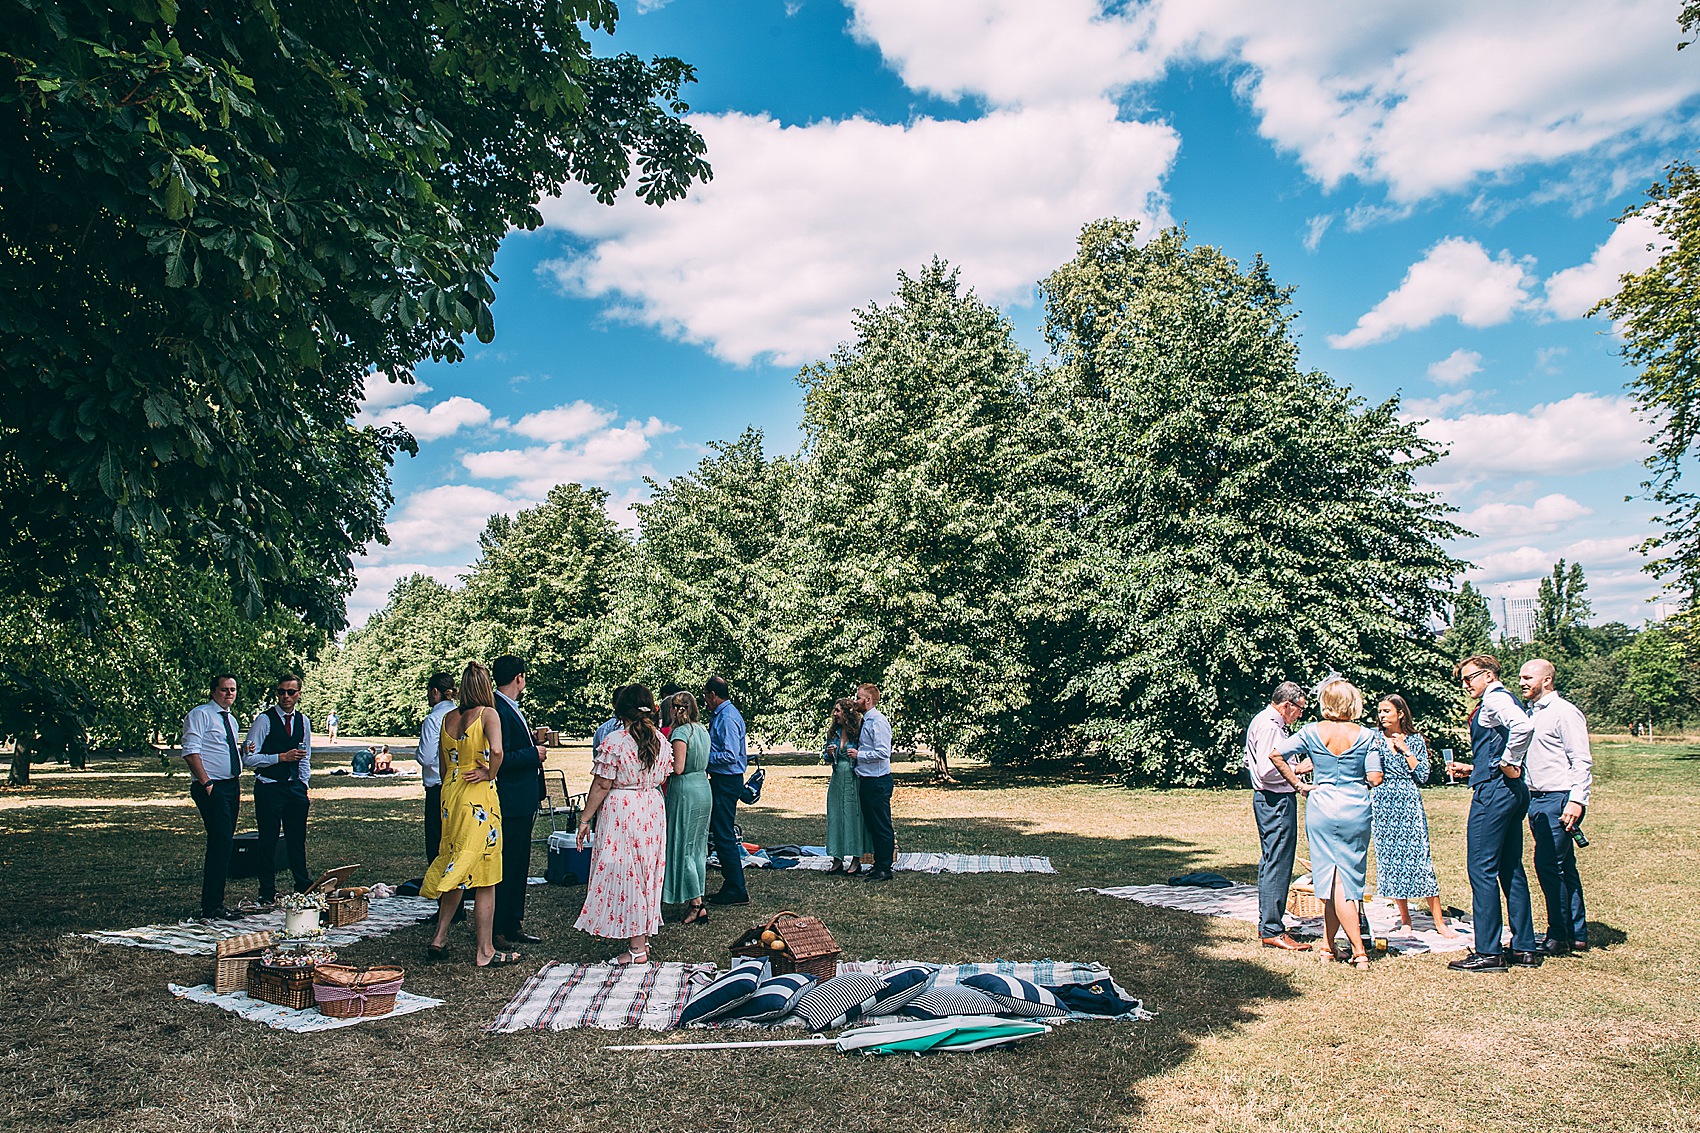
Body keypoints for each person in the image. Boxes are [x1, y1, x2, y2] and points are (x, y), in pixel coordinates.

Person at [1269, 677, 1384, 969]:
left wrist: (1298, 784)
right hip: (1354, 807)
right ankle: (1359, 950)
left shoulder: (1310, 731)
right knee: (1347, 878)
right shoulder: (1368, 735)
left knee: (1330, 877)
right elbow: (1374, 778)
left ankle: (1327, 946)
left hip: (1321, 806)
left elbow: (1276, 754)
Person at [1445, 655, 1540, 972]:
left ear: (1487, 675)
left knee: (1481, 868)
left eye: (1469, 678)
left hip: (1495, 792)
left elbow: (1523, 727)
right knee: (1511, 866)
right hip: (1510, 791)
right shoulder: (1502, 698)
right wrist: (1476, 767)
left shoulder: (1495, 699)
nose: (1465, 684)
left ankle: (1488, 950)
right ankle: (1524, 946)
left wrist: (1508, 761)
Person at [422, 660, 517, 967]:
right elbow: (499, 751)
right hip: (478, 796)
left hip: (451, 794)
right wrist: (490, 772)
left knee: (455, 864)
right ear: (486, 687)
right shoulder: (488, 714)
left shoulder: (449, 717)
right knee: (485, 874)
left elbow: (442, 761)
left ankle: (439, 937)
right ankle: (485, 950)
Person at [575, 683, 671, 963]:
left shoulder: (615, 741)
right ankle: (642, 938)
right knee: (646, 872)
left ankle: (637, 949)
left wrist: (585, 818)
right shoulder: (660, 741)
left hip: (623, 810)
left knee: (627, 872)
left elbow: (602, 783)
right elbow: (664, 776)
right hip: (651, 807)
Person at [1515, 658, 1592, 955]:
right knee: (1561, 866)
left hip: (1558, 797)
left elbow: (1581, 759)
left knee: (1550, 865)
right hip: (1535, 797)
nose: (1522, 682)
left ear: (1547, 680)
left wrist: (1576, 800)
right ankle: (1576, 932)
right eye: (1520, 677)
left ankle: (1560, 933)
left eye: (1528, 677)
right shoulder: (1529, 713)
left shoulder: (1564, 712)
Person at [1370, 694, 1459, 939]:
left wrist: (1405, 750)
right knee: (1392, 859)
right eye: (1380, 711)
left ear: (1400, 713)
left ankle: (1439, 921)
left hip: (1408, 801)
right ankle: (1405, 918)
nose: (1382, 716)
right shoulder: (1374, 739)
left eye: (1387, 711)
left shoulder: (1416, 740)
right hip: (1383, 802)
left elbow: (1422, 775)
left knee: (1420, 859)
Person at [1244, 681, 1312, 951]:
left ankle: (1270, 924)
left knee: (1273, 859)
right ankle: (1272, 928)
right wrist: (1300, 769)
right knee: (1278, 862)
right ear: (1287, 705)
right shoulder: (1271, 726)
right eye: (1300, 709)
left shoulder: (1263, 722)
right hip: (1276, 800)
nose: (1300, 715)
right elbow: (1266, 770)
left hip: (1270, 799)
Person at [491, 654, 549, 950]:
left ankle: (513, 921)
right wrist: (533, 754)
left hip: (523, 798)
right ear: (519, 678)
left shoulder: (509, 708)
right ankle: (499, 926)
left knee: (519, 863)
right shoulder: (498, 710)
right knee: (508, 863)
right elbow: (498, 757)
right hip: (510, 799)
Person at [242, 674, 313, 907]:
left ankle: (302, 885)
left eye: (291, 692)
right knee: (268, 840)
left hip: (294, 788)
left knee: (296, 840)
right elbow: (249, 758)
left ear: (298, 694)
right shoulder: (265, 720)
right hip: (269, 787)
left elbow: (305, 756)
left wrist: (303, 784)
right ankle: (267, 890)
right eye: (281, 692)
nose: (285, 696)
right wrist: (280, 758)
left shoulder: (303, 721)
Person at [179, 673, 246, 919]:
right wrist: (207, 783)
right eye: (224, 689)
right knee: (221, 842)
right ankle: (211, 906)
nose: (229, 694)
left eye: (233, 689)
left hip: (231, 785)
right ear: (213, 691)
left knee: (225, 841)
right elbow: (190, 751)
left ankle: (216, 902)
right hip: (212, 786)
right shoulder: (201, 715)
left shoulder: (231, 720)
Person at [661, 691, 712, 925]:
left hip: (685, 791)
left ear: (675, 710)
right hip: (702, 786)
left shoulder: (680, 733)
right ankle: (696, 895)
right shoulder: (702, 729)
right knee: (698, 846)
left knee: (685, 847)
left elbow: (678, 768)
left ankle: (696, 902)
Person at [703, 675, 752, 906]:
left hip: (727, 781)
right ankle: (732, 884)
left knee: (724, 835)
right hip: (722, 780)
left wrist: (703, 758)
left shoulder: (727, 717)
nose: (705, 702)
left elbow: (731, 755)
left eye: (706, 696)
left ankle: (735, 888)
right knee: (720, 833)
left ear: (713, 694)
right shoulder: (723, 715)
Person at [854, 682, 895, 883]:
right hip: (868, 780)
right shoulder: (866, 721)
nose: (856, 701)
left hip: (878, 781)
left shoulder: (878, 722)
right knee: (872, 825)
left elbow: (883, 752)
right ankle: (878, 865)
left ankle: (885, 868)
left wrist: (859, 755)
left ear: (868, 700)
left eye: (859, 697)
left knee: (881, 826)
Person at [823, 697, 869, 874]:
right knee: (835, 817)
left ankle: (856, 861)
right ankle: (836, 859)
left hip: (852, 777)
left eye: (838, 711)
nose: (835, 714)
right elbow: (826, 757)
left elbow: (866, 753)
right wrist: (828, 753)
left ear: (847, 713)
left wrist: (857, 754)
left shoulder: (857, 732)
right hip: (836, 778)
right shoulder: (833, 733)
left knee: (853, 817)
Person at [419, 672, 456, 862]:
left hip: (437, 786)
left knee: (436, 841)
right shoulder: (461, 715)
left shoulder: (433, 720)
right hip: (458, 784)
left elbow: (425, 757)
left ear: (435, 692)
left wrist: (417, 754)